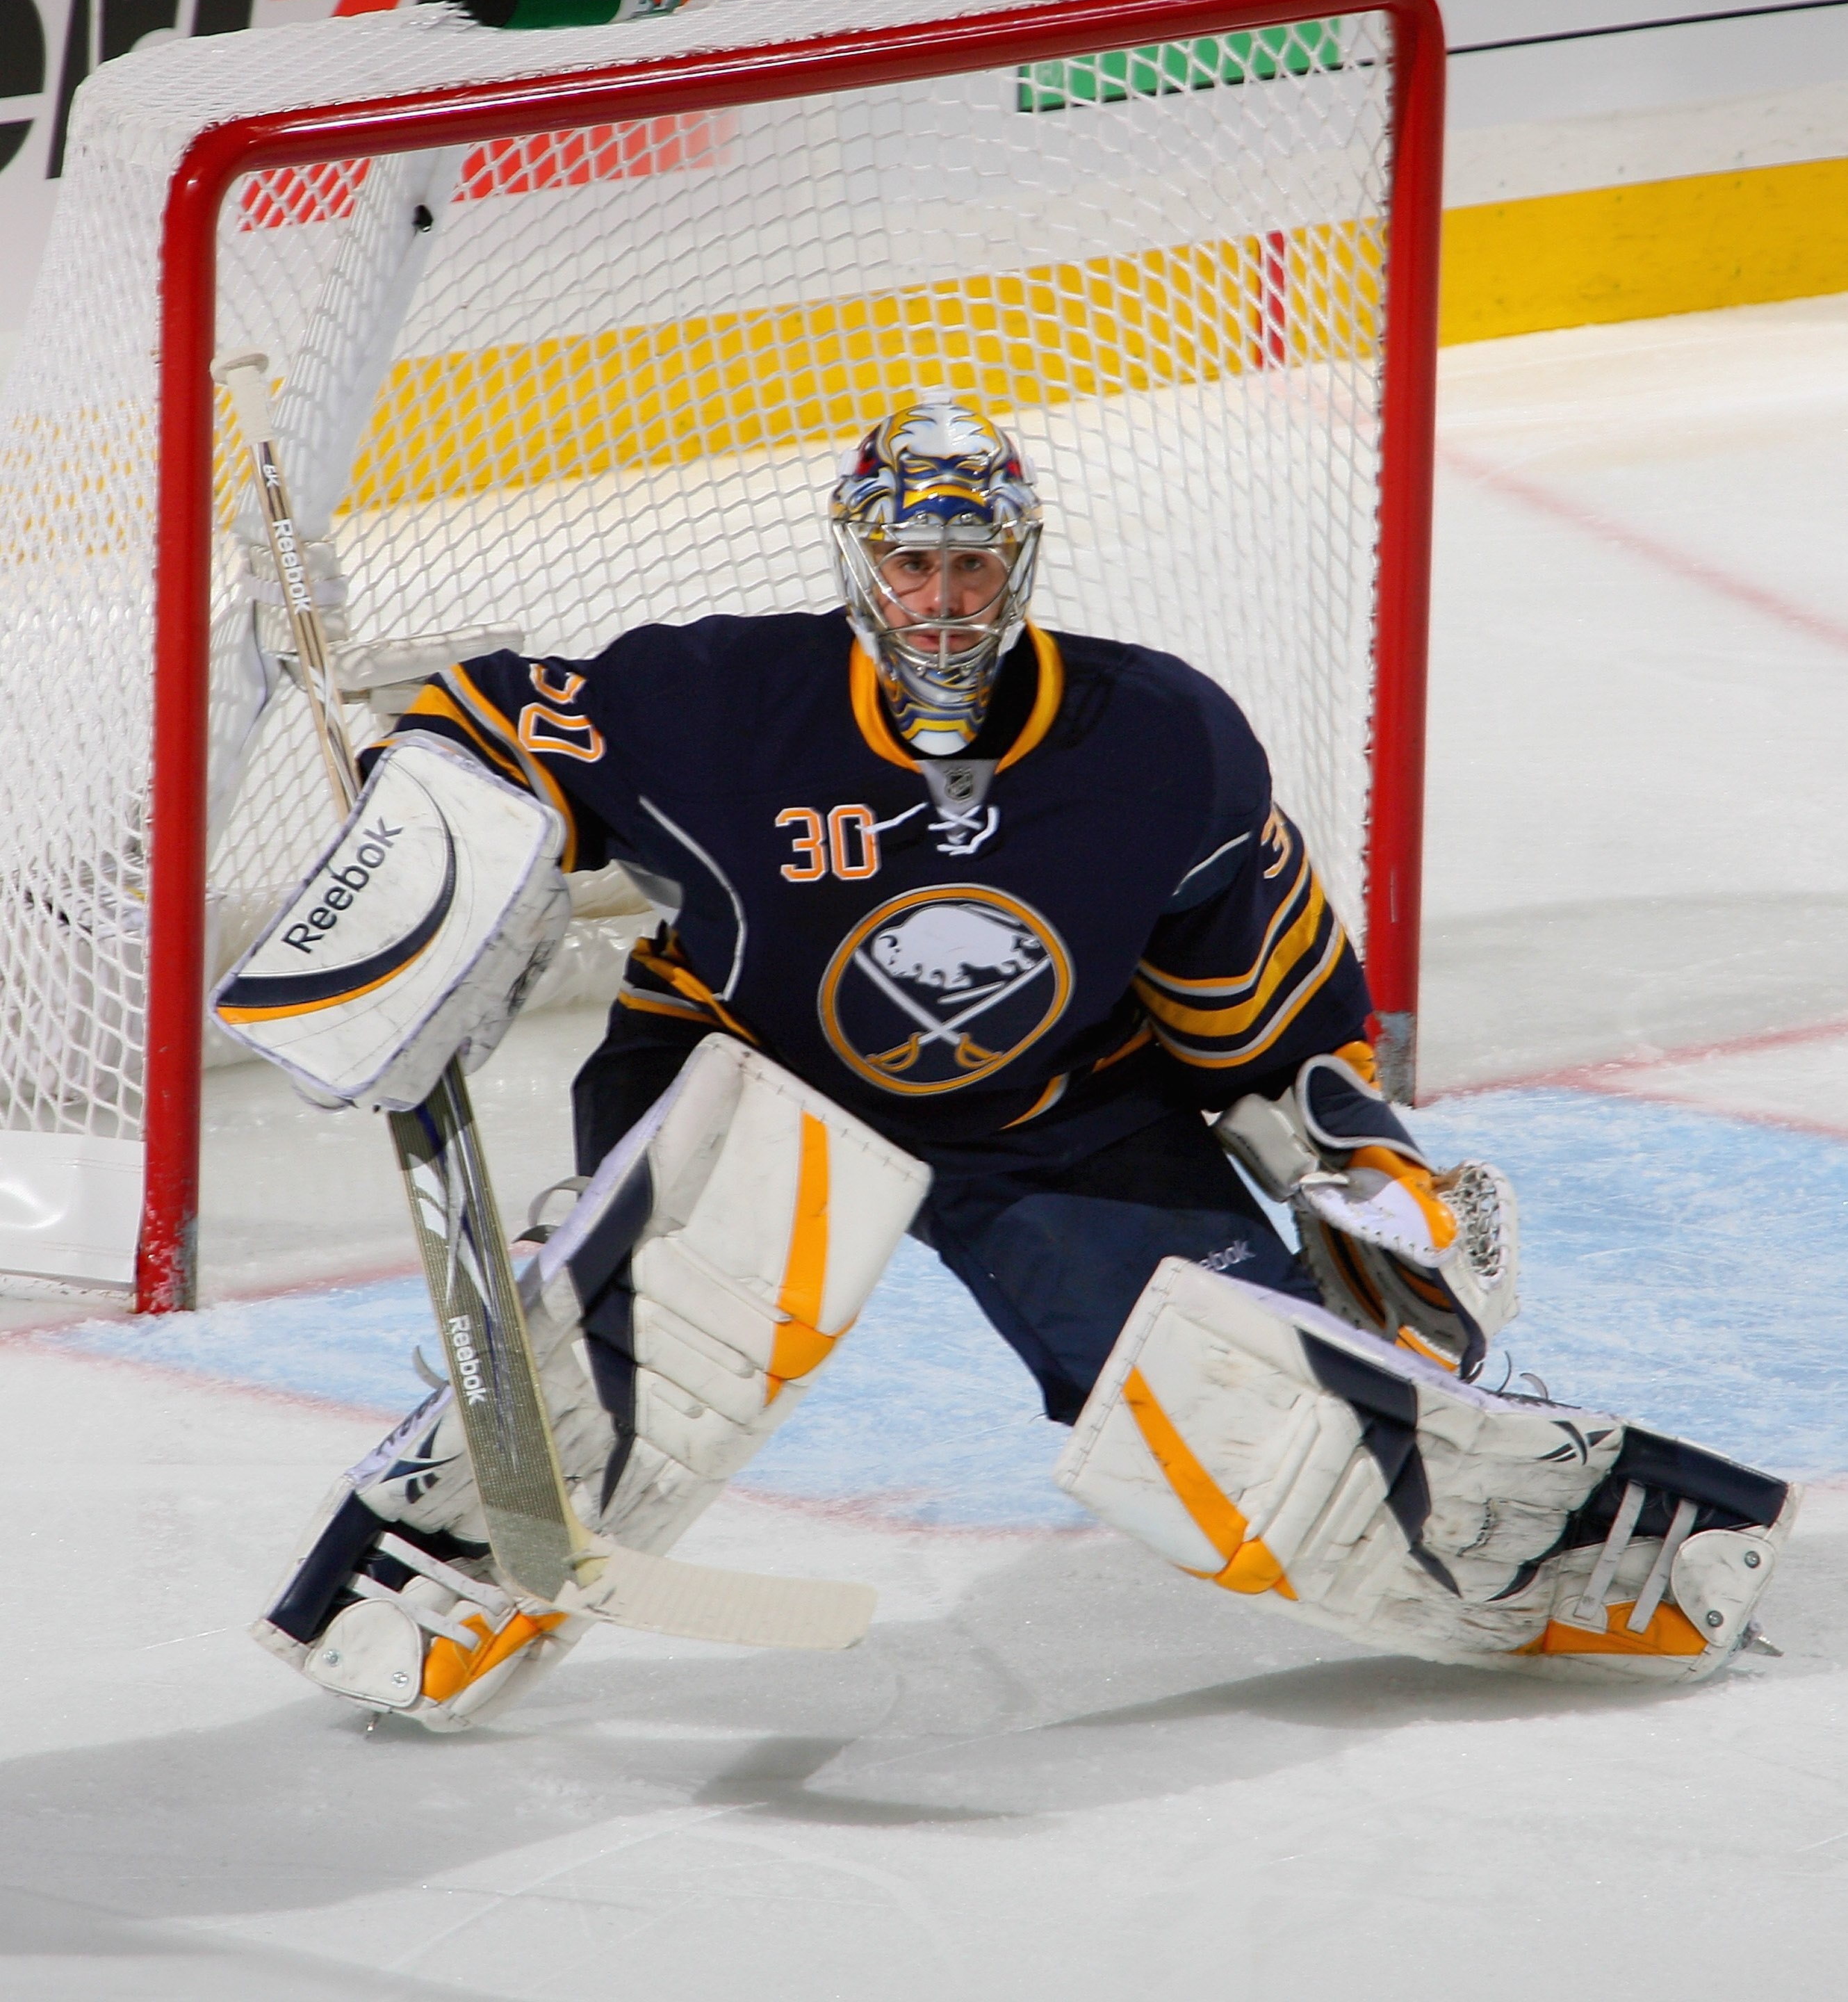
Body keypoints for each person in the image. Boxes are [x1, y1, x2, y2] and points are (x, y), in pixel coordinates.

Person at [241, 399, 1790, 1728]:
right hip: (747, 1069)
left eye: (969, 563)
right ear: (858, 560)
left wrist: (1360, 1169)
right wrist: (417, 828)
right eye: (910, 562)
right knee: (656, 1312)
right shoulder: (715, 703)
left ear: (1020, 564)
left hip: (1057, 1115)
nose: (938, 599)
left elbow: (1260, 1015)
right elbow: (484, 724)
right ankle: (458, 1560)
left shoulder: (1158, 741)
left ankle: (1529, 1544)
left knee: (1244, 1390)